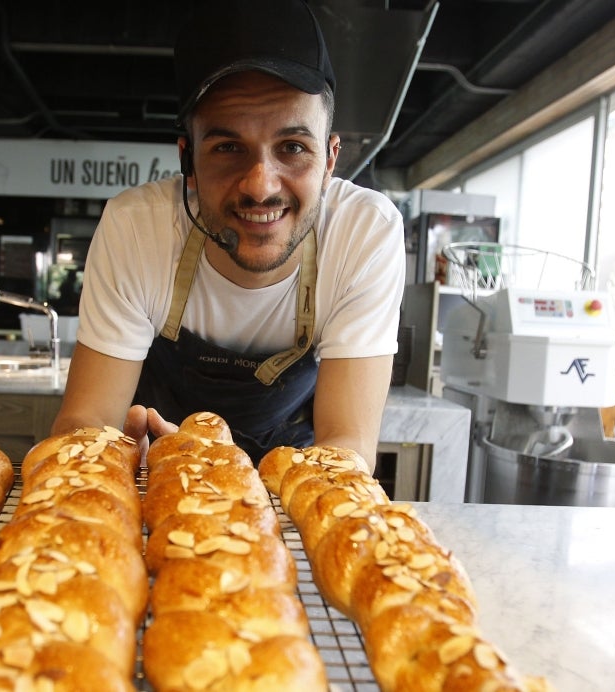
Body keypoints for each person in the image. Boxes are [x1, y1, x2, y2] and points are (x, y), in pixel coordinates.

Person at [51, 0, 405, 470]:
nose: (261, 185)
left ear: (330, 160)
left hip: (297, 485)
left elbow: (347, 444)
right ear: (188, 162)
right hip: (157, 476)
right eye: (228, 148)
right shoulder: (137, 228)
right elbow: (86, 419)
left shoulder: (365, 232)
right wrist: (102, 456)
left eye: (293, 147)